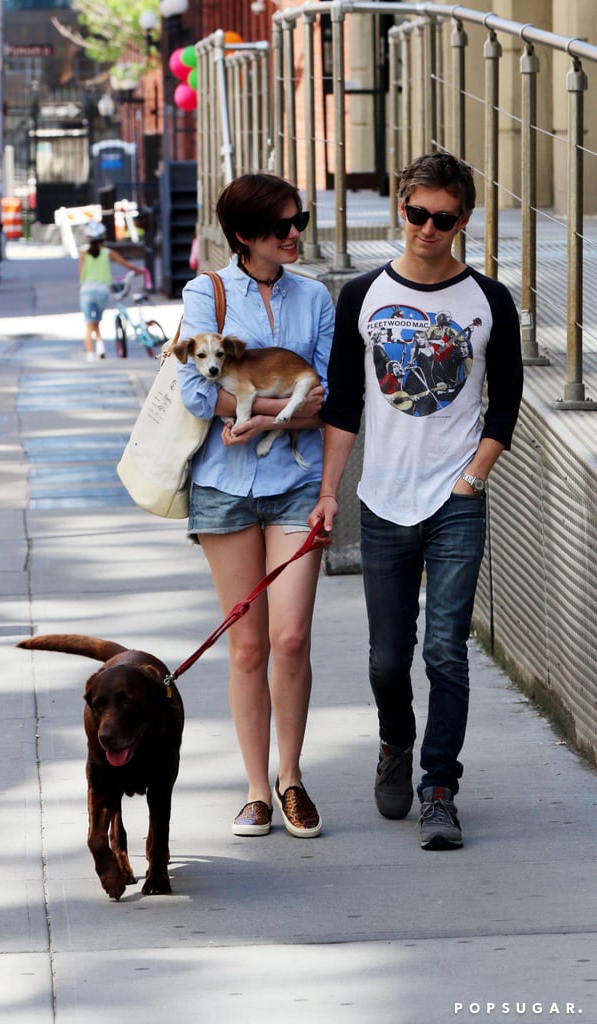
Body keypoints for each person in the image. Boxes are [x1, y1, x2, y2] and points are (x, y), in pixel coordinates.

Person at [308, 152, 523, 850]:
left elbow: (507, 404)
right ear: (400, 208)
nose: (427, 228)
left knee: (446, 652)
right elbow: (343, 403)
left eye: (443, 218)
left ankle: (438, 788)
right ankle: (394, 742)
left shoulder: (488, 300)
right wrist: (329, 496)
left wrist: (473, 477)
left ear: (462, 220)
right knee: (384, 659)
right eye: (415, 213)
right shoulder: (362, 296)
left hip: (456, 496)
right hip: (381, 499)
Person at [176, 173, 335, 838]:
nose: (294, 234)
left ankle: (290, 776)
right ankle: (253, 790)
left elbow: (326, 398)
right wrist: (283, 406)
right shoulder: (205, 293)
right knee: (246, 648)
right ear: (244, 236)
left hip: (296, 484)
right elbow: (195, 393)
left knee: (289, 638)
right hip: (222, 488)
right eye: (280, 227)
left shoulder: (316, 297)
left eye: (297, 221)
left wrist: (260, 417)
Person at [78, 222, 145, 361]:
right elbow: (126, 264)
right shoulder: (108, 253)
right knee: (96, 321)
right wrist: (139, 271)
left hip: (86, 291)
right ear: (103, 238)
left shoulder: (84, 253)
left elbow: (81, 274)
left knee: (90, 323)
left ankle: (90, 354)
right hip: (102, 290)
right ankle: (100, 347)